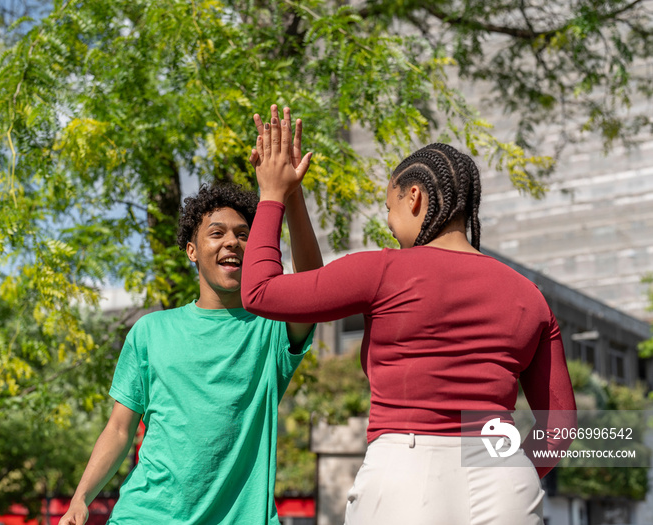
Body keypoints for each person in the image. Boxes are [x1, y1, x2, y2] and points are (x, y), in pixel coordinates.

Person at [242, 108, 577, 524]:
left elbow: (258, 291)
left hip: (406, 474)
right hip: (505, 479)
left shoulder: (382, 270)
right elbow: (560, 424)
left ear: (413, 197)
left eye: (389, 207)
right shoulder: (531, 296)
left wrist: (273, 194)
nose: (389, 224)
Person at [58, 108, 322, 525]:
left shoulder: (271, 327)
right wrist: (80, 497)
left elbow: (313, 286)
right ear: (192, 251)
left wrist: (289, 194)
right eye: (216, 233)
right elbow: (119, 430)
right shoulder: (150, 331)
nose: (231, 242)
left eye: (242, 234)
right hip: (145, 516)